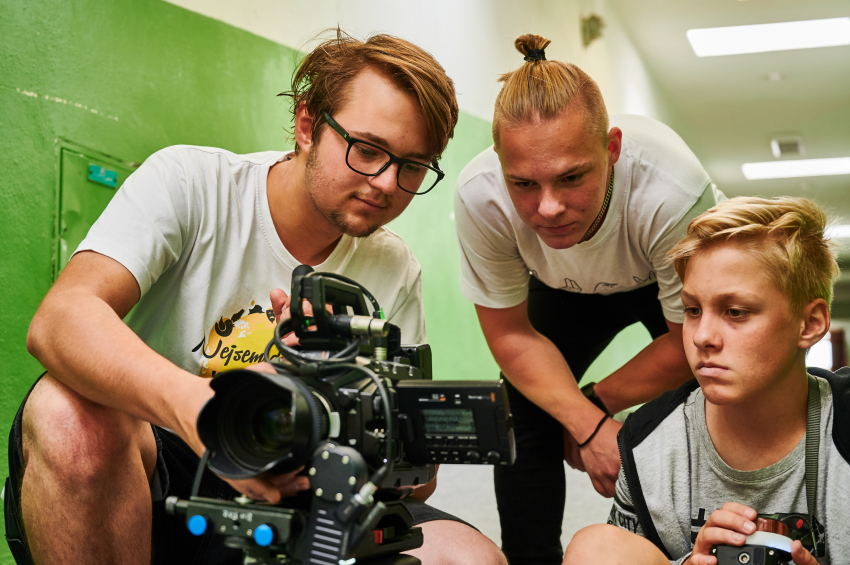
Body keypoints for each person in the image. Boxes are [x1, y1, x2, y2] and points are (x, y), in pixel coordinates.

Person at [7, 30, 506, 565]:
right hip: (162, 470)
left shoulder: (395, 267)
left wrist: (334, 387)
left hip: (301, 485)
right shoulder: (191, 183)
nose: (387, 183)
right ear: (308, 125)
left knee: (470, 559)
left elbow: (418, 483)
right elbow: (60, 318)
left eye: (411, 166)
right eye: (367, 150)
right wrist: (197, 407)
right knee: (65, 415)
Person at [453, 33, 722, 564]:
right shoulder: (479, 194)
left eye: (572, 177)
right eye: (523, 184)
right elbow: (511, 335)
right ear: (500, 163)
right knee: (522, 404)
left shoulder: (671, 190)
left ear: (612, 148)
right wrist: (585, 423)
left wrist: (594, 409)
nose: (548, 207)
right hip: (561, 287)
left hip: (659, 282)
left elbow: (686, 344)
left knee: (711, 378)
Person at [563, 196, 850, 565]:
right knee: (595, 548)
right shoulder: (648, 440)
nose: (702, 337)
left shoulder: (843, 421)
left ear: (809, 324)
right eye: (693, 310)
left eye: (736, 312)